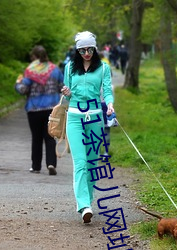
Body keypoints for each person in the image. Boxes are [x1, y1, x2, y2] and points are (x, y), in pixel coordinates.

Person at [61, 31, 114, 223]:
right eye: (82, 50)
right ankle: (84, 205)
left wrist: (109, 104)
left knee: (92, 163)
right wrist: (66, 92)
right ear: (77, 50)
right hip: (74, 118)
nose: (86, 53)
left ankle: (88, 200)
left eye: (90, 49)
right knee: (80, 162)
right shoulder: (69, 68)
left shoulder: (103, 68)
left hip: (95, 119)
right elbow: (67, 97)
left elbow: (107, 90)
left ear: (95, 48)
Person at [15, 45, 64, 175]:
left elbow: (23, 90)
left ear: (34, 57)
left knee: (36, 138)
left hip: (34, 109)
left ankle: (36, 166)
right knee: (50, 137)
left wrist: (18, 83)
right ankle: (51, 163)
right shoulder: (55, 70)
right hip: (51, 109)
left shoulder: (30, 71)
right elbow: (62, 87)